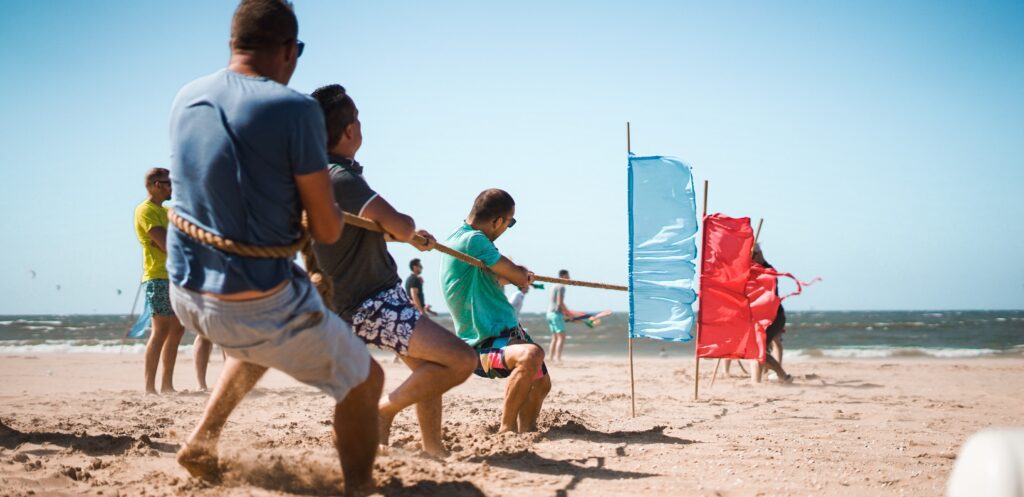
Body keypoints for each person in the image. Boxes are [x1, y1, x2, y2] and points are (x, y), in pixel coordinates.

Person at [166, 2, 382, 494]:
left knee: (257, 345)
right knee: (365, 382)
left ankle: (202, 439)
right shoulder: (296, 109)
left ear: (233, 43)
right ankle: (361, 489)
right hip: (250, 304)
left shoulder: (187, 96)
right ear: (289, 50)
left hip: (187, 294)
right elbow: (327, 230)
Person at [309, 84, 476, 457]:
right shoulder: (340, 178)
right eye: (358, 120)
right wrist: (405, 229)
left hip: (372, 297)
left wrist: (405, 237)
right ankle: (380, 413)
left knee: (429, 369)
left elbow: (360, 236)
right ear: (350, 130)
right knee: (462, 360)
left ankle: (432, 450)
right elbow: (400, 223)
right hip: (371, 302)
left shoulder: (324, 178)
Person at [440, 189, 552, 433]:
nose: (506, 228)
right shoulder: (473, 240)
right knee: (530, 356)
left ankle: (527, 430)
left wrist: (516, 274)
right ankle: (506, 430)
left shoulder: (467, 242)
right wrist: (520, 276)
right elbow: (512, 274)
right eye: (509, 223)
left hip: (509, 333)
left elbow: (500, 276)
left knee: (542, 383)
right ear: (497, 221)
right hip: (484, 343)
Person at [134, 167, 188, 394]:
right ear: (158, 185)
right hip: (158, 277)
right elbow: (165, 244)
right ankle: (149, 388)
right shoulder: (146, 210)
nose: (172, 188)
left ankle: (167, 385)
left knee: (177, 330)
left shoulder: (166, 211)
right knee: (161, 330)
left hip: (176, 277)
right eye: (170, 183)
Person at [752, 244, 792, 383]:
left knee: (761, 350)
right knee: (756, 350)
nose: (750, 259)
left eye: (753, 256)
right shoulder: (751, 269)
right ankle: (757, 380)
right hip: (758, 317)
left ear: (760, 253)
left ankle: (782, 376)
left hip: (773, 317)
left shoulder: (768, 271)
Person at [546, 270, 573, 364]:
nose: (569, 277)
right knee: (561, 337)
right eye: (568, 275)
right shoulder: (561, 286)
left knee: (554, 337)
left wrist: (566, 312)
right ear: (563, 276)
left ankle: (550, 357)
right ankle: (557, 358)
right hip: (556, 313)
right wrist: (568, 313)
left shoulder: (553, 286)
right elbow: (559, 302)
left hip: (549, 313)